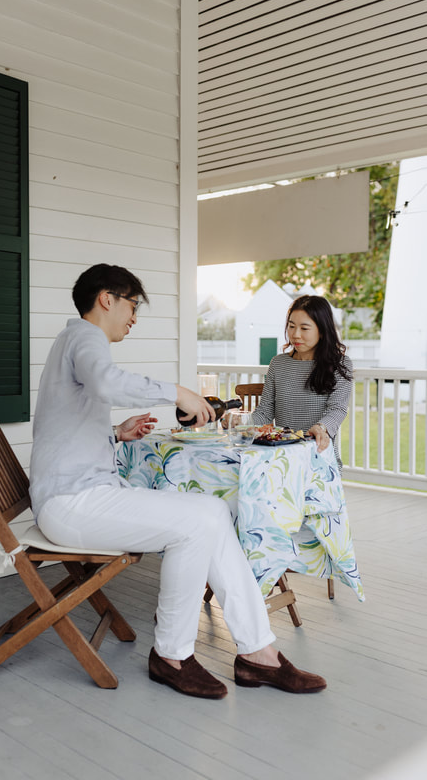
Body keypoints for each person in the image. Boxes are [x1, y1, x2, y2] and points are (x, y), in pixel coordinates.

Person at [29, 264, 326, 699]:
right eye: (132, 305)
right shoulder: (84, 337)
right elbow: (106, 382)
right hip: (72, 503)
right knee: (198, 521)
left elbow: (66, 422)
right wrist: (178, 391)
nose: (134, 317)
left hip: (80, 493)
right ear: (107, 299)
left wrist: (114, 433)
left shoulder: (73, 341)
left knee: (213, 512)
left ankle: (257, 652)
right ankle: (172, 655)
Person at [252, 295, 353, 470]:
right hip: (281, 457)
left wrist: (321, 428)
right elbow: (265, 413)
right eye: (291, 326)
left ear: (321, 331)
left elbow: (337, 409)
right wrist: (239, 421)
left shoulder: (340, 365)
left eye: (304, 328)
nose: (295, 334)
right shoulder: (278, 363)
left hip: (318, 455)